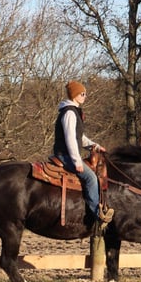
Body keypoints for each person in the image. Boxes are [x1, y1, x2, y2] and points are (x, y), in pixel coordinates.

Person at [53, 80, 114, 229]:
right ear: (74, 95)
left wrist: (96, 146)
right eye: (82, 93)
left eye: (85, 93)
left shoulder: (74, 111)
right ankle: (97, 214)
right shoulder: (69, 113)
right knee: (91, 177)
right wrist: (77, 161)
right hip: (65, 155)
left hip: (69, 154)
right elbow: (70, 139)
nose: (85, 96)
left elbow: (80, 138)